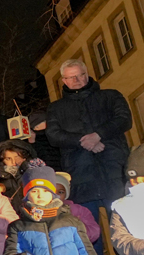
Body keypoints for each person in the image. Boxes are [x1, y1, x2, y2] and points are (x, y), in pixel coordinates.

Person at [45, 59, 133, 221]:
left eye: (80, 75)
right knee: (89, 234)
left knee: (125, 227)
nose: (76, 80)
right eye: (71, 77)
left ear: (87, 74)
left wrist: (98, 135)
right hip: (81, 177)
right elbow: (53, 135)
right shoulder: (56, 108)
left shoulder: (110, 96)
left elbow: (124, 119)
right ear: (64, 81)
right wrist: (83, 141)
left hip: (115, 172)